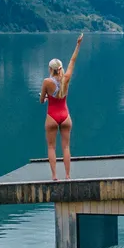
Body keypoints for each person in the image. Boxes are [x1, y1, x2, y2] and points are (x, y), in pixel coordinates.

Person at [40, 33, 84, 182]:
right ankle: (67, 175)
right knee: (66, 147)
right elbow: (73, 60)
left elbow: (41, 100)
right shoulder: (66, 78)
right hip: (65, 116)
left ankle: (54, 177)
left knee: (51, 147)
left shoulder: (47, 82)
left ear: (50, 69)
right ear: (60, 68)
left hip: (52, 115)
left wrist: (45, 97)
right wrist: (78, 44)